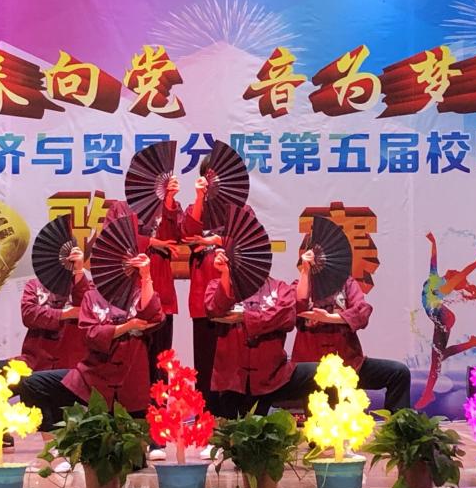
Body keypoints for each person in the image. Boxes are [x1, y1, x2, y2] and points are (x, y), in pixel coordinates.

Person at [20, 253, 164, 429]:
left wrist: (146, 276)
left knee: (130, 433)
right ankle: (55, 437)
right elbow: (92, 334)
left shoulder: (138, 295)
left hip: (130, 379)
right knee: (33, 384)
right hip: (93, 377)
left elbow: (152, 316)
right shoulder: (92, 296)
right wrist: (127, 327)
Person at [293, 241, 411, 411]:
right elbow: (297, 306)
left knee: (398, 373)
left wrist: (330, 318)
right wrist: (305, 271)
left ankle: (399, 424)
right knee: (325, 422)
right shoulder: (300, 285)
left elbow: (362, 312)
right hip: (314, 371)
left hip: (349, 364)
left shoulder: (347, 284)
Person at [204, 247, 316, 419]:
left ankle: (321, 430)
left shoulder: (280, 288)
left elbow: (286, 316)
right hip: (233, 380)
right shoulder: (219, 285)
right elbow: (214, 309)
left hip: (273, 377)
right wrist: (225, 274)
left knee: (322, 373)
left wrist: (245, 317)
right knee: (235, 431)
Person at [100, 178, 182, 389]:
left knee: (160, 360)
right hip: (127, 294)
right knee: (129, 357)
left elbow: (175, 239)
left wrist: (170, 200)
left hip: (160, 291)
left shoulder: (170, 207)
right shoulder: (120, 208)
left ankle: (159, 407)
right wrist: (152, 242)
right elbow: (111, 239)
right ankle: (127, 405)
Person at [414, 232, 476, 409]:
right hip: (440, 317)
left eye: (456, 274)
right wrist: (433, 243)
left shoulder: (446, 285)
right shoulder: (435, 277)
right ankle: (472, 343)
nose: (454, 271)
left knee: (436, 359)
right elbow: (433, 260)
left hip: (443, 318)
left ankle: (427, 394)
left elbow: (466, 270)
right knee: (440, 357)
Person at [181, 172, 228, 410]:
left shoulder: (239, 211)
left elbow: (248, 240)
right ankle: (205, 418)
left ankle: (230, 418)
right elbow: (186, 234)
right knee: (205, 363)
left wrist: (213, 241)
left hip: (231, 298)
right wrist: (199, 197)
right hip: (202, 298)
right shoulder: (194, 208)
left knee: (230, 363)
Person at [17, 247, 89, 371]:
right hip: (36, 360)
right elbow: (29, 314)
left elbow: (87, 311)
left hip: (70, 362)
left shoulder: (84, 284)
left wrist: (78, 271)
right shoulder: (34, 285)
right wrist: (65, 313)